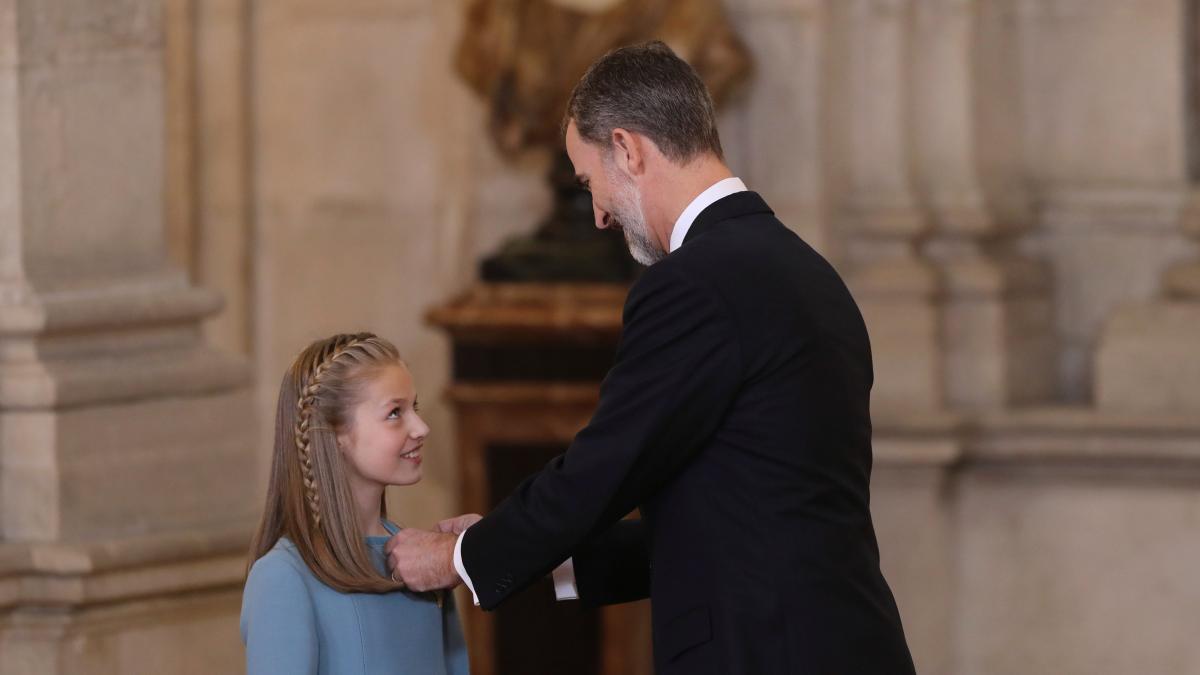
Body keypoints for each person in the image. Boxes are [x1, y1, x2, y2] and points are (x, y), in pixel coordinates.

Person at [388, 41, 916, 674]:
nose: (599, 216)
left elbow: (603, 467)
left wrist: (459, 558)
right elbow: (742, 515)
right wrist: (535, 551)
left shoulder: (693, 284)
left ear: (628, 149)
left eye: (589, 182)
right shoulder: (807, 272)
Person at [240, 333, 469, 675]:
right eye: (395, 412)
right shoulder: (283, 577)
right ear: (335, 435)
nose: (421, 427)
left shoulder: (421, 563)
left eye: (414, 408)